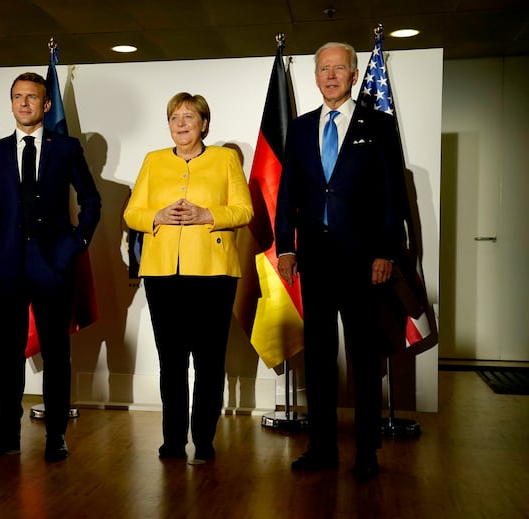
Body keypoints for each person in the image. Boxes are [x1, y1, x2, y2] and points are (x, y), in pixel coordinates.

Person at [275, 42, 407, 481]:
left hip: (364, 260)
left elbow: (392, 195)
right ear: (315, 77)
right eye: (324, 69)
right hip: (315, 257)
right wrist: (286, 246)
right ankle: (322, 446)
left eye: (339, 69)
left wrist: (387, 251)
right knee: (319, 357)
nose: (331, 76)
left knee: (364, 359)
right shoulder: (299, 128)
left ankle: (366, 450)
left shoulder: (380, 125)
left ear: (354, 75)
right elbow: (287, 193)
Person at [0, 72, 101, 462]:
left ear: (46, 105)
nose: (24, 103)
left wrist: (74, 246)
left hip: (51, 267)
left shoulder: (66, 148)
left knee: (57, 355)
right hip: (6, 269)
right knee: (8, 356)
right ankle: (7, 434)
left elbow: (91, 200)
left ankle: (55, 437)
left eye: (32, 97)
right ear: (11, 104)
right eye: (17, 97)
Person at [123, 92, 253, 464]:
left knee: (210, 362)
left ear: (204, 124)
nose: (181, 124)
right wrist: (157, 216)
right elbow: (133, 214)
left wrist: (206, 215)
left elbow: (245, 210)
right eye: (175, 117)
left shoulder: (226, 160)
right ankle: (173, 441)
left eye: (189, 117)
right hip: (163, 274)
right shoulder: (153, 161)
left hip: (213, 274)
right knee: (172, 362)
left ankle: (205, 440)